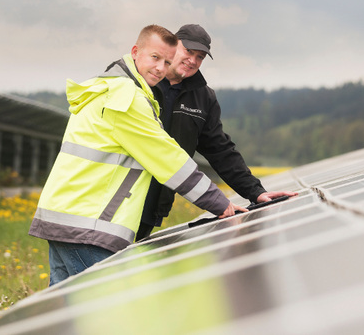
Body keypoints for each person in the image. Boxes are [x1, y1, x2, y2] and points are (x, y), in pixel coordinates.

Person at [29, 24, 247, 285]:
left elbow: (218, 148)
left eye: (166, 62)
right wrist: (221, 205)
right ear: (135, 52)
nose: (160, 68)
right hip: (89, 226)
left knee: (67, 319)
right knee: (106, 315)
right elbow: (168, 159)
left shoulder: (111, 86)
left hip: (69, 217)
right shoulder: (127, 99)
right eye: (155, 58)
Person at [136, 24, 297, 240]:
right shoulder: (140, 83)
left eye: (200, 56)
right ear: (173, 46)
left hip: (153, 206)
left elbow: (220, 151)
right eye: (188, 51)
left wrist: (256, 192)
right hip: (117, 199)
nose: (193, 60)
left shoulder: (203, 98)